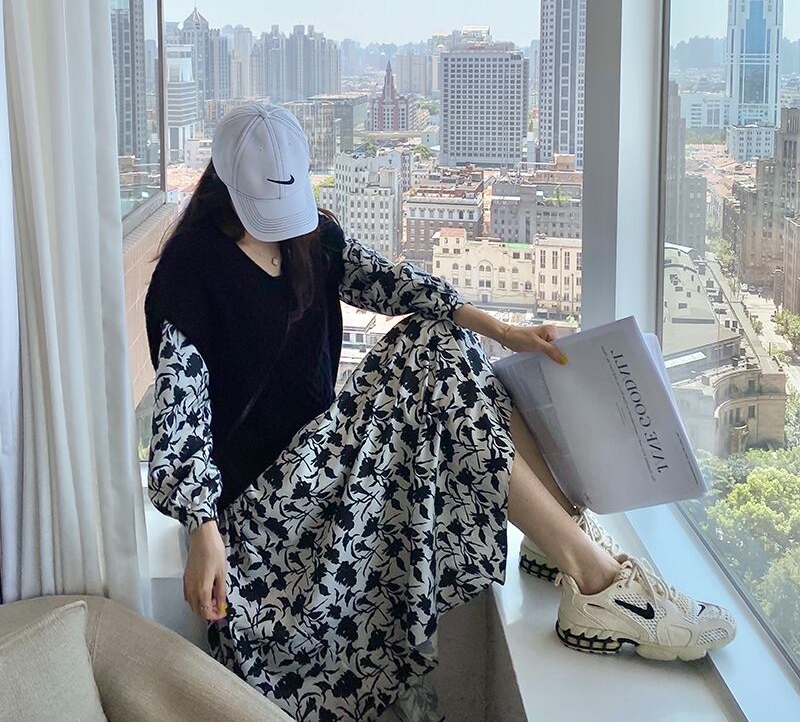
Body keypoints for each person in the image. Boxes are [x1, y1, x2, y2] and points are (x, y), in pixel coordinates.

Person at [145, 104, 735, 722]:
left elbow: (391, 281)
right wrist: (202, 528)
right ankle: (595, 581)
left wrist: (503, 330)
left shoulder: (309, 238)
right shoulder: (191, 272)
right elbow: (180, 416)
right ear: (226, 184)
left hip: (322, 470)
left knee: (445, 340)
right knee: (431, 354)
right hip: (262, 519)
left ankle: (564, 536)